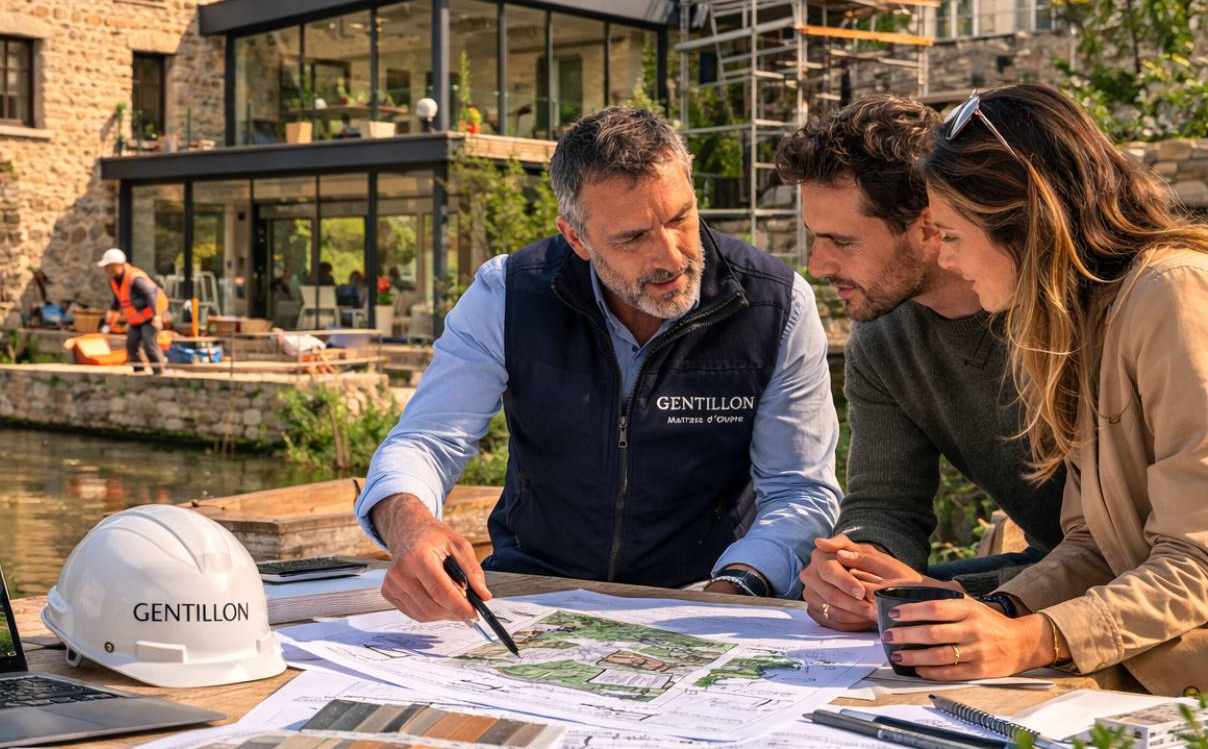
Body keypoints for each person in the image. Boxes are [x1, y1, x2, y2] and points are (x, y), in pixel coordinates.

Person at [355, 105, 841, 622]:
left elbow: (799, 490)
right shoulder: (507, 293)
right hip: (532, 593)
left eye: (680, 217)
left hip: (707, 593)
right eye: (632, 238)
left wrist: (731, 590)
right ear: (576, 238)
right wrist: (409, 526)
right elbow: (425, 441)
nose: (672, 257)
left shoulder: (777, 305)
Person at [875, 84, 1208, 695]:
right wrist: (999, 613)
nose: (944, 260)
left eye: (949, 235)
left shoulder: (1172, 294)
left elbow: (1200, 562)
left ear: (1021, 219)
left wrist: (1033, 639)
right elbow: (1094, 543)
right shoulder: (1081, 320)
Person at [773, 96, 1066, 632]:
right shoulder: (882, 338)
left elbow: (1149, 549)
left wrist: (954, 596)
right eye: (816, 240)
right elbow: (885, 505)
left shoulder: (1073, 311)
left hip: (1134, 583)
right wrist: (855, 571)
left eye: (841, 241)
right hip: (1049, 574)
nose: (816, 266)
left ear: (930, 225)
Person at [98, 248, 163, 375]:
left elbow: (150, 295)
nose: (106, 270)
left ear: (117, 265)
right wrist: (110, 318)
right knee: (131, 346)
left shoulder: (134, 278)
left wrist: (157, 316)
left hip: (150, 316)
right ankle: (139, 372)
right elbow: (118, 302)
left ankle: (159, 373)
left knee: (149, 343)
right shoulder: (116, 281)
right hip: (136, 319)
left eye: (108, 266)